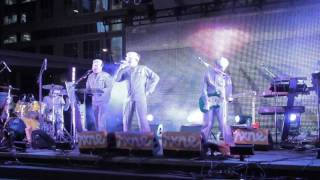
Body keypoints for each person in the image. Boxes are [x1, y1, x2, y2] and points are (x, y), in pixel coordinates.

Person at [115, 51, 160, 132]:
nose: (127, 59)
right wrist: (120, 69)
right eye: (127, 57)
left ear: (136, 59)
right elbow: (117, 80)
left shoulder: (143, 69)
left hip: (140, 97)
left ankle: (146, 139)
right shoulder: (126, 70)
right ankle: (126, 139)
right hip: (128, 98)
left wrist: (149, 90)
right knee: (126, 120)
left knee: (142, 120)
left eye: (130, 57)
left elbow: (156, 78)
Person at [200, 57, 234, 145]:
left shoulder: (226, 77)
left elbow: (229, 90)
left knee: (224, 123)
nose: (219, 68)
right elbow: (203, 89)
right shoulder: (207, 74)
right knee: (208, 123)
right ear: (215, 65)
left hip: (221, 102)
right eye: (218, 66)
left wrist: (229, 97)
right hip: (209, 102)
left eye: (222, 67)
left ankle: (230, 146)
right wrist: (206, 101)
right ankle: (202, 145)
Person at [86, 59, 113, 131]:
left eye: (96, 65)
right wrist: (87, 91)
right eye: (93, 65)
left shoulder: (106, 76)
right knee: (96, 120)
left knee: (102, 121)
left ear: (101, 67)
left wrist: (100, 91)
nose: (94, 67)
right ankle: (98, 135)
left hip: (103, 101)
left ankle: (103, 137)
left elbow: (110, 87)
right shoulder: (90, 76)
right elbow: (88, 88)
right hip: (94, 101)